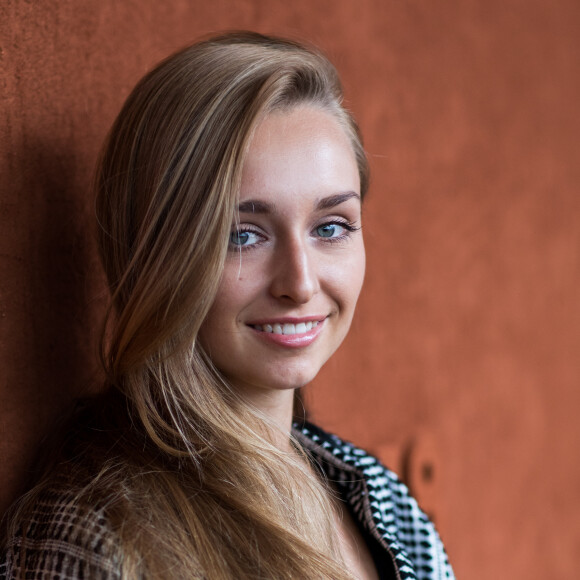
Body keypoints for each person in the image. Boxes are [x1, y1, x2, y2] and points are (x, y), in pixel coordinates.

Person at [0, 32, 454, 580]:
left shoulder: (381, 496)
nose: (300, 283)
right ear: (155, 256)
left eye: (330, 227)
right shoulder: (97, 538)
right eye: (241, 236)